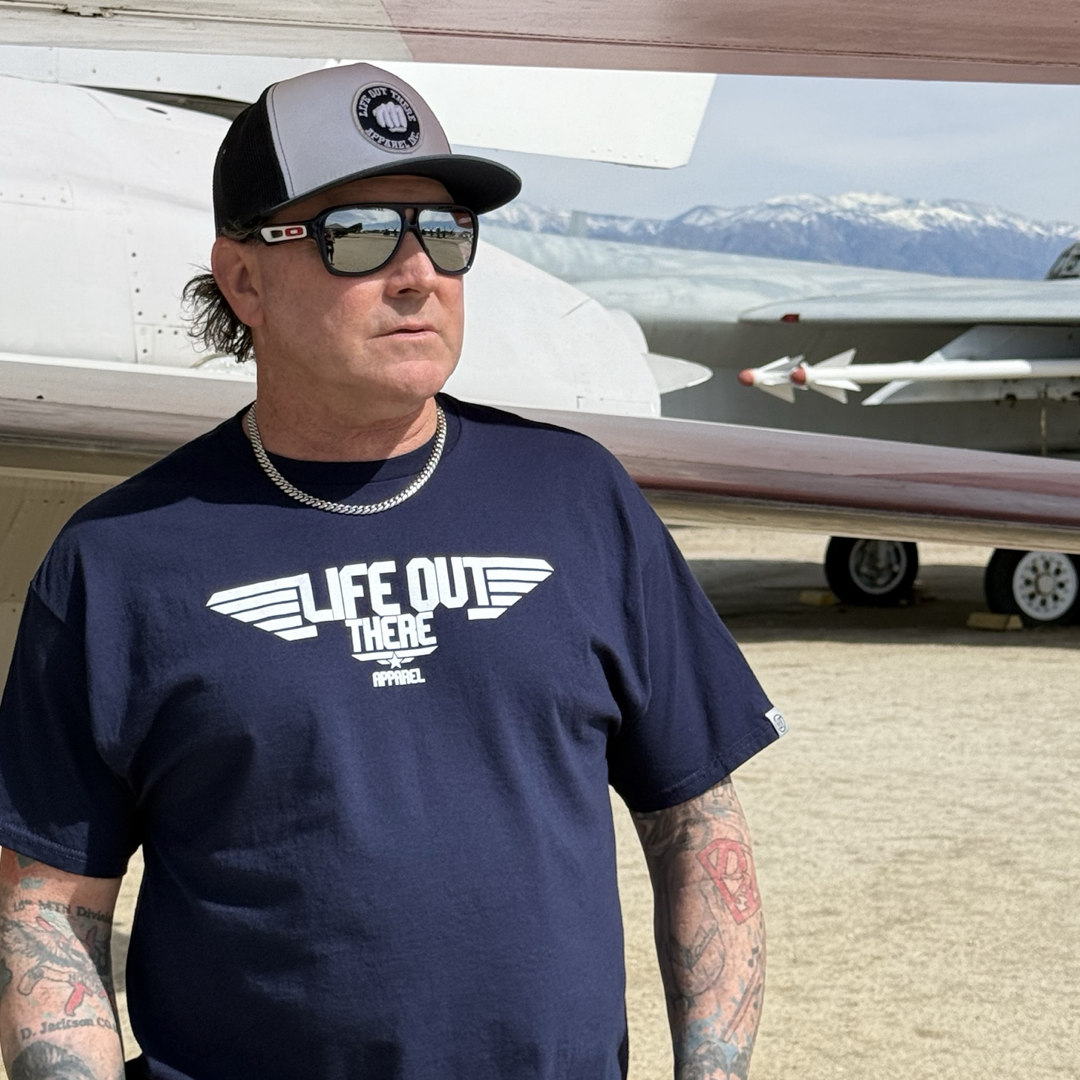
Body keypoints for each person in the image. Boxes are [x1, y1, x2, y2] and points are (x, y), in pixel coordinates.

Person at [0, 64, 785, 1080]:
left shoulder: (577, 500)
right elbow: (48, 908)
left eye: (445, 234)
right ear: (244, 280)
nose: (418, 272)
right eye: (362, 234)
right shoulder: (120, 558)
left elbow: (699, 829)